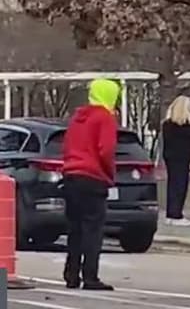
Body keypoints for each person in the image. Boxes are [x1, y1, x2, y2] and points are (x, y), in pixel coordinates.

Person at [61, 78, 120, 291]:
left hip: (71, 176)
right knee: (93, 229)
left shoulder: (77, 118)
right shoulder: (105, 118)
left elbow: (66, 145)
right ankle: (90, 276)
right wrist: (109, 174)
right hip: (93, 177)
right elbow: (106, 150)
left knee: (74, 228)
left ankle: (71, 274)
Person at [160, 95, 190, 227]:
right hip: (182, 158)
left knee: (172, 185)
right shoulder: (187, 127)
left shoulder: (167, 125)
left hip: (170, 157)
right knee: (180, 186)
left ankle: (170, 214)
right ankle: (176, 215)